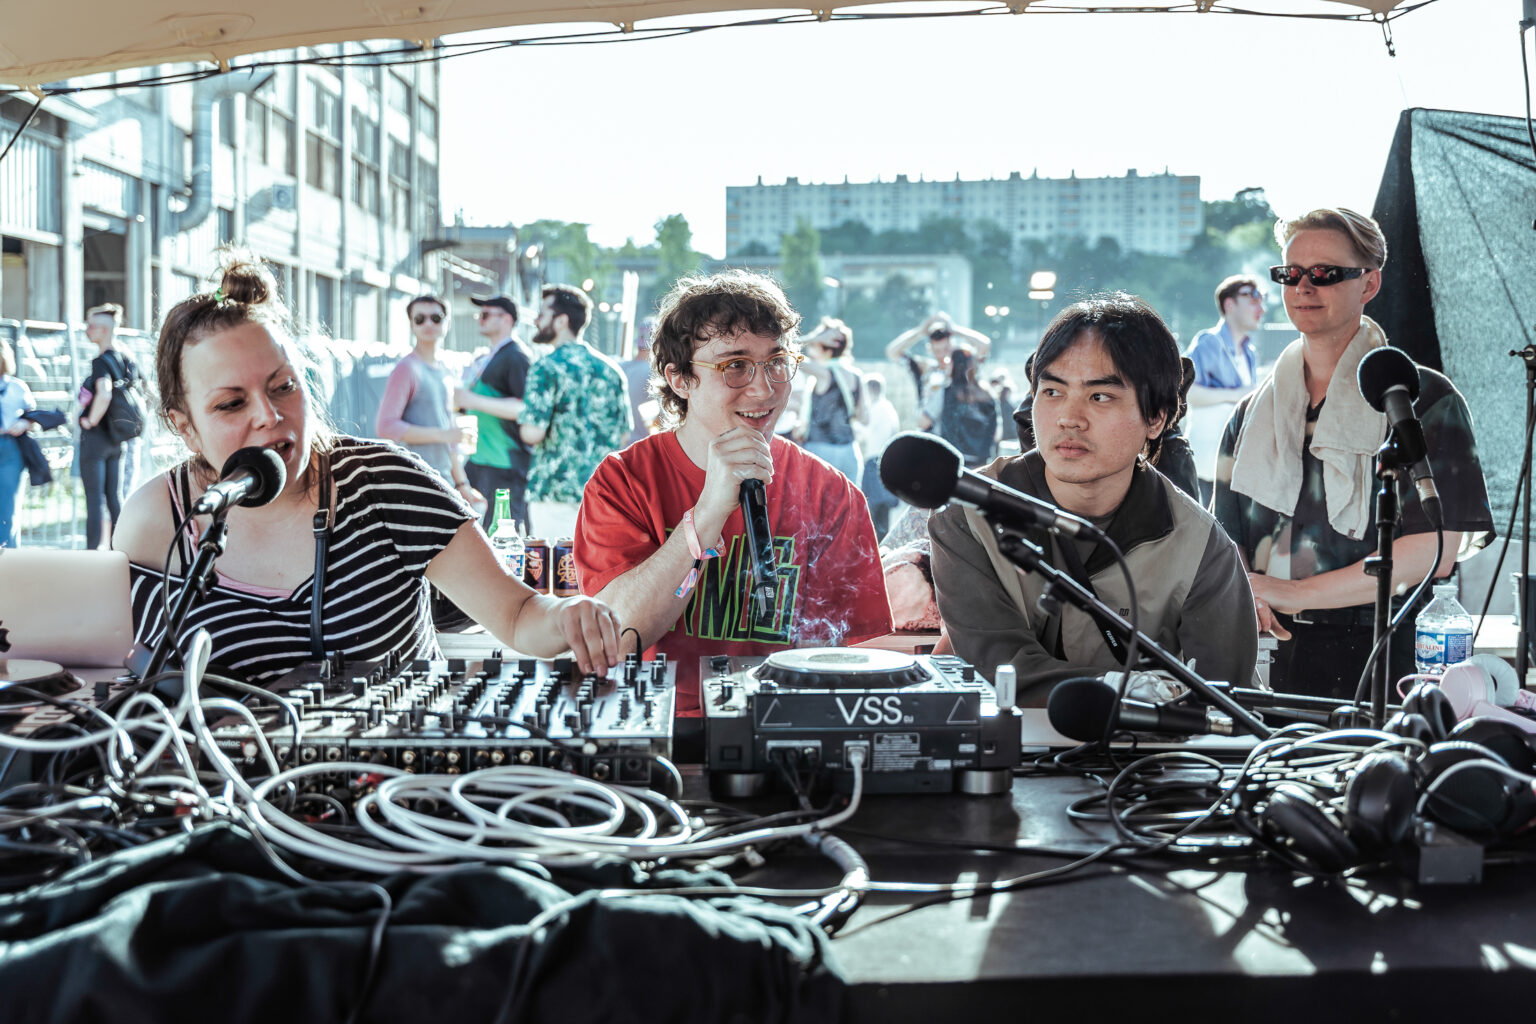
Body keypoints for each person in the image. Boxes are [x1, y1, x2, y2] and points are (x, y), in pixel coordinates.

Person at [113, 252, 621, 686]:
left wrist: (569, 616)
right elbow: (120, 667)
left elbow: (516, 613)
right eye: (230, 404)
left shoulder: (387, 481)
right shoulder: (154, 520)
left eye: (283, 386)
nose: (268, 416)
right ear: (184, 427)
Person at [573, 271, 892, 718]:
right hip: (659, 726)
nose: (764, 389)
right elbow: (621, 636)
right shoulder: (623, 480)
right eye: (734, 365)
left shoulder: (832, 493)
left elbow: (857, 654)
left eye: (777, 362)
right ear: (680, 379)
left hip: (790, 728)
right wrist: (707, 514)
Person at [1212, 208, 1493, 700]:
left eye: (1324, 274)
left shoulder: (1419, 398)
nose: (1304, 287)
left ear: (1369, 284)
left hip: (1391, 656)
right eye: (1290, 273)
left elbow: (1437, 550)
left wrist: (1295, 593)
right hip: (1270, 655)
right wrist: (1250, 598)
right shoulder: (1250, 414)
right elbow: (1224, 539)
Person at [930, 293, 1257, 703]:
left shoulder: (1200, 545)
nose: (1069, 417)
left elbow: (1227, 700)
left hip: (1149, 764)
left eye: (1100, 396)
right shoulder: (967, 516)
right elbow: (1002, 667)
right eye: (1051, 392)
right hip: (1001, 761)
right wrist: (1137, 689)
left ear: (1156, 417)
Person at [518, 284, 631, 542]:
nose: (536, 320)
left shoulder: (546, 367)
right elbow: (623, 435)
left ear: (561, 321)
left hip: (553, 491)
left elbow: (532, 432)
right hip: (603, 494)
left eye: (542, 313)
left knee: (554, 578)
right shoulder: (611, 370)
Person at [375, 294, 483, 512]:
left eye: (436, 318)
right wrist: (443, 434)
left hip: (442, 480)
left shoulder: (446, 369)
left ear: (447, 323)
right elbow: (385, 426)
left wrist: (463, 485)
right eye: (420, 319)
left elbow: (450, 436)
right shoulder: (406, 369)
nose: (428, 324)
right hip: (414, 481)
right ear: (411, 325)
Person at [453, 295, 532, 533]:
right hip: (481, 460)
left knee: (501, 536)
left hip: (504, 463)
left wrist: (472, 399)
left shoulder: (516, 356)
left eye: (486, 314)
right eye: (480, 314)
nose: (481, 319)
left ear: (506, 319)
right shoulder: (491, 356)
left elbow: (526, 408)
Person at [1184, 274, 1266, 502]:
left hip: (1232, 468)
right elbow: (1188, 393)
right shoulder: (1209, 342)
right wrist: (1236, 396)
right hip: (1205, 468)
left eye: (1261, 299)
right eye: (1253, 298)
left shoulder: (1250, 353)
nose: (1261, 307)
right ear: (1229, 304)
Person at [78, 302, 135, 550]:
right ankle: (119, 550)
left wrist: (90, 420)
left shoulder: (101, 362)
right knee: (114, 497)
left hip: (97, 440)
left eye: (90, 326)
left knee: (94, 499)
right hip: (117, 440)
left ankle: (91, 553)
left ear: (102, 330)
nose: (87, 331)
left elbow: (105, 393)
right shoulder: (125, 358)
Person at [793, 317, 866, 483]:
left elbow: (784, 352)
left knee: (817, 507)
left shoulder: (823, 373)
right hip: (850, 451)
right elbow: (863, 417)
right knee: (849, 506)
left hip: (820, 451)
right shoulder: (856, 376)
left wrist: (814, 337)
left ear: (824, 346)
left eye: (814, 345)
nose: (811, 350)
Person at [885, 313, 991, 420]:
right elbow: (892, 352)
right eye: (937, 351)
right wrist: (920, 331)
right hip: (928, 429)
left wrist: (955, 330)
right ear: (930, 349)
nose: (942, 355)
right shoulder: (925, 368)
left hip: (958, 429)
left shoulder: (963, 366)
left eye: (946, 349)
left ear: (952, 345)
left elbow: (985, 345)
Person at [0, 338, 41, 548]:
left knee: (8, 507)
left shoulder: (17, 387)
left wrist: (24, 422)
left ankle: (8, 556)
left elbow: (33, 418)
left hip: (10, 448)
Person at [932, 347, 999, 468]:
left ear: (953, 365)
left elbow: (923, 421)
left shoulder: (945, 394)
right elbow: (996, 434)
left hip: (951, 461)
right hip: (981, 464)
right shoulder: (988, 395)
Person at [855, 372, 901, 537]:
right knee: (883, 511)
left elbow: (865, 433)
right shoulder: (888, 407)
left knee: (874, 509)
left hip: (875, 460)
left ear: (870, 390)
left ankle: (875, 545)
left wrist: (853, 423)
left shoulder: (877, 408)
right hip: (884, 460)